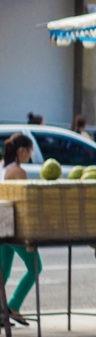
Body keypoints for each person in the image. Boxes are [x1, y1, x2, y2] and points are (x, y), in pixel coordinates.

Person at [0, 134, 40, 326]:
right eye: (30, 151)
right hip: (14, 227)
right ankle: (13, 306)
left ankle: (1, 312)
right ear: (22, 151)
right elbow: (23, 206)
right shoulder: (17, 172)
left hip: (2, 225)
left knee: (3, 272)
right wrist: (29, 235)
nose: (30, 155)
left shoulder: (2, 166)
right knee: (35, 266)